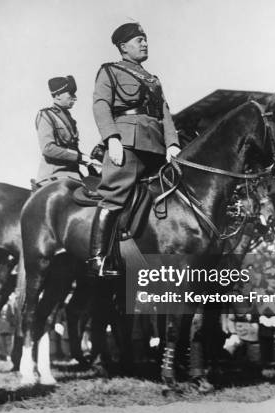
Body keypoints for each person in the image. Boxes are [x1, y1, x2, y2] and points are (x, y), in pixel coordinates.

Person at [90, 22, 181, 276]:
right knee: (115, 193)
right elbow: (101, 105)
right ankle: (98, 258)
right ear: (123, 46)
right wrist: (112, 138)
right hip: (127, 141)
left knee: (168, 193)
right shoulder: (110, 71)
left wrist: (172, 143)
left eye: (145, 39)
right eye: (138, 40)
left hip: (156, 146)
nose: (144, 43)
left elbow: (164, 113)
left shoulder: (153, 80)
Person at [34, 75, 98, 187]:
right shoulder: (46, 115)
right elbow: (48, 149)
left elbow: (73, 150)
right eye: (71, 94)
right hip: (54, 176)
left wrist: (89, 162)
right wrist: (79, 157)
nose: (75, 98)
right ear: (58, 95)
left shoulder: (70, 119)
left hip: (73, 174)